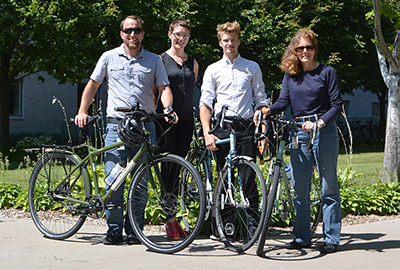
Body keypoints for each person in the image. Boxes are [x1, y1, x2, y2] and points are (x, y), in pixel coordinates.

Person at [75, 15, 177, 245]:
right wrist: (82, 110)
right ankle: (113, 230)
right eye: (128, 30)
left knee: (141, 182)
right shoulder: (108, 57)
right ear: (122, 33)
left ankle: (135, 231)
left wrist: (168, 107)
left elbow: (164, 88)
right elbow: (92, 85)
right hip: (116, 125)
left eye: (137, 30)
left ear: (143, 33)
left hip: (145, 125)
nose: (133, 34)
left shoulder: (154, 60)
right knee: (114, 179)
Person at [256, 28, 342, 254]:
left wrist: (320, 123)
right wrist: (268, 111)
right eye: (300, 48)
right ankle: (302, 236)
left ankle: (331, 238)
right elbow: (283, 102)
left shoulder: (327, 72)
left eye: (309, 47)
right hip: (298, 132)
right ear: (295, 50)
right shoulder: (291, 74)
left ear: (315, 49)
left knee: (328, 187)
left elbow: (336, 105)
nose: (305, 51)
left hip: (324, 131)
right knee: (300, 189)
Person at [199, 21, 269, 235]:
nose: (230, 43)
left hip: (246, 128)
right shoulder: (213, 70)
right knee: (224, 178)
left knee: (248, 177)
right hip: (222, 128)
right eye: (225, 40)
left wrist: (263, 131)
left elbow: (261, 102)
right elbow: (205, 103)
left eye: (233, 40)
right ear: (220, 42)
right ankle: (227, 225)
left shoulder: (251, 67)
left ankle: (253, 225)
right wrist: (206, 132)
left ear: (239, 41)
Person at [154, 19, 199, 239]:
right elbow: (156, 91)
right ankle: (169, 220)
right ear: (170, 34)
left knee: (180, 168)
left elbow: (191, 90)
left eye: (185, 36)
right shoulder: (160, 60)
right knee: (167, 169)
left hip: (186, 121)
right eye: (177, 34)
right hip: (165, 121)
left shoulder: (193, 63)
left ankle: (174, 217)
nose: (181, 39)